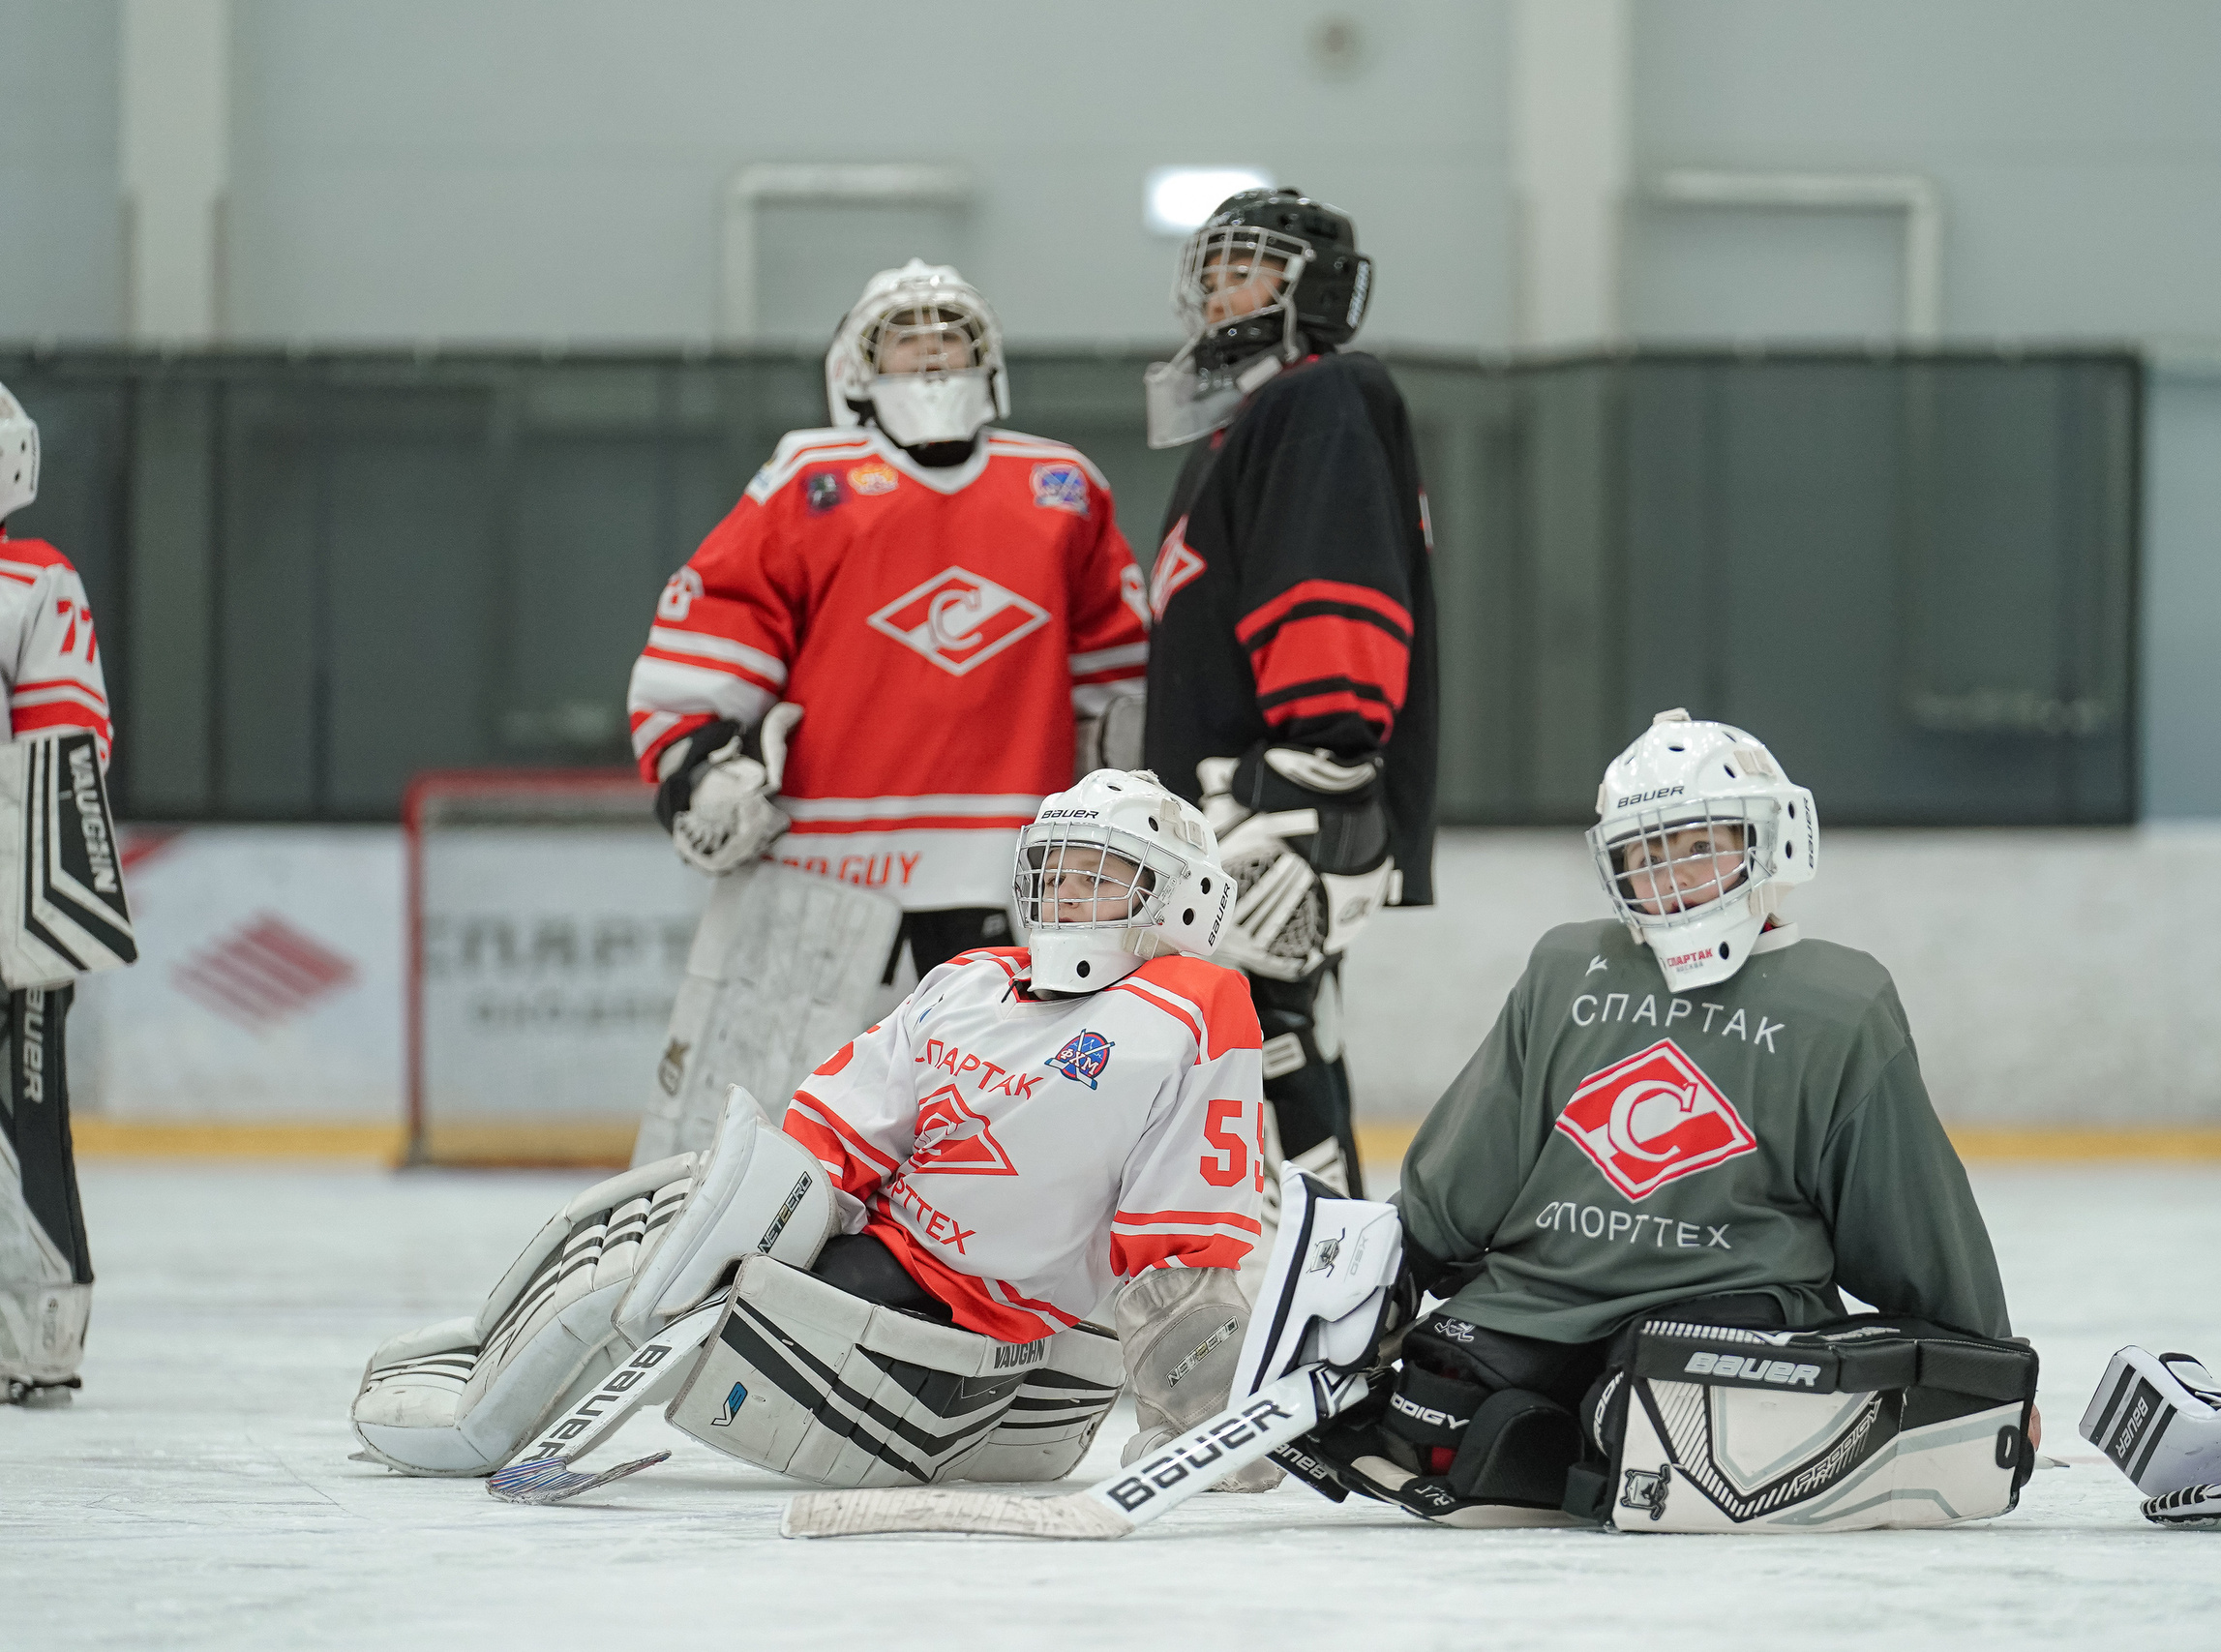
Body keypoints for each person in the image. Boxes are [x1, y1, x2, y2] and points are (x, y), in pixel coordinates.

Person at [352, 769, 1279, 1491]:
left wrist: (1204, 1402)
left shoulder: (1191, 1006)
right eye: (1057, 868)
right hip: (880, 1247)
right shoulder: (974, 979)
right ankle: (489, 1342)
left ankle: (485, 1415)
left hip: (958, 1308)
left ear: (1181, 900)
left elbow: (1180, 1236)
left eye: (1099, 876)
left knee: (662, 1276)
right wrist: (751, 1209)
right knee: (662, 1211)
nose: (1065, 893)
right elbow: (836, 1127)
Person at [1236, 709, 2046, 1531]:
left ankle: (1549, 1433)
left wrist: (1990, 1373)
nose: (1673, 876)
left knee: (1487, 1412)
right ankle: (1581, 1430)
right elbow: (1915, 1232)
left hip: (1666, 1315)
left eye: (1700, 845)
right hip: (1609, 1322)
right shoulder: (1575, 967)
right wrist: (1383, 1291)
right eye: (1644, 853)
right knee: (1472, 1393)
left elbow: (1452, 1193)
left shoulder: (1831, 1003)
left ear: (1775, 837)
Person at [625, 260, 1152, 1162]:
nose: (934, 356)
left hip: (1010, 858)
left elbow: (1119, 665)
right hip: (828, 859)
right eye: (908, 340)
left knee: (1009, 1105)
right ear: (857, 371)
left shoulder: (1061, 485)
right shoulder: (810, 477)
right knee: (773, 1092)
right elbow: (719, 615)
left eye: (953, 337)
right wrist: (699, 760)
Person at [1138, 188, 1439, 1198]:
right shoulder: (1242, 433)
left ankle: (1330, 1305)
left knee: (1271, 1059)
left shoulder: (1319, 398)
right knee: (1249, 1057)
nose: (1221, 295)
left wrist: (1322, 788)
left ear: (1315, 289)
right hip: (1224, 816)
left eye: (1247, 270)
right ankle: (1299, 1302)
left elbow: (1332, 594)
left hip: (1272, 813)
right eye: (1211, 272)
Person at [0, 378, 126, 1407]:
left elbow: (68, 753)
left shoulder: (38, 583)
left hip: (8, 906)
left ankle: (37, 1331)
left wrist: (40, 917)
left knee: (22, 1112)